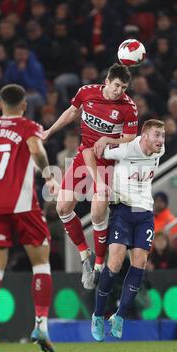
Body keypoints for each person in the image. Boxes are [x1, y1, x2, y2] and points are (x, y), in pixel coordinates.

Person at [0, 84, 58, 352]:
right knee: (41, 263)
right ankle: (41, 325)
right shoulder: (27, 127)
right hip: (23, 206)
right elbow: (36, 151)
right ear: (23, 105)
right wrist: (48, 174)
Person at [43, 63, 138, 290]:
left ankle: (98, 265)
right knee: (62, 208)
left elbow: (130, 138)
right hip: (83, 156)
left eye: (123, 88)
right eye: (116, 86)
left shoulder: (128, 107)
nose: (119, 91)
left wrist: (109, 140)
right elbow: (72, 112)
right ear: (107, 81)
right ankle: (86, 256)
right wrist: (49, 131)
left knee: (97, 213)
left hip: (109, 163)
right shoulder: (86, 92)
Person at [87, 119, 165, 340]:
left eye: (163, 136)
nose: (161, 140)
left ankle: (119, 316)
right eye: (157, 135)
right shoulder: (125, 149)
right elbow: (92, 151)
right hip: (122, 210)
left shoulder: (160, 150)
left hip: (145, 214)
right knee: (115, 263)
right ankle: (98, 315)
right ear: (145, 136)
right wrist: (99, 180)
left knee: (139, 263)